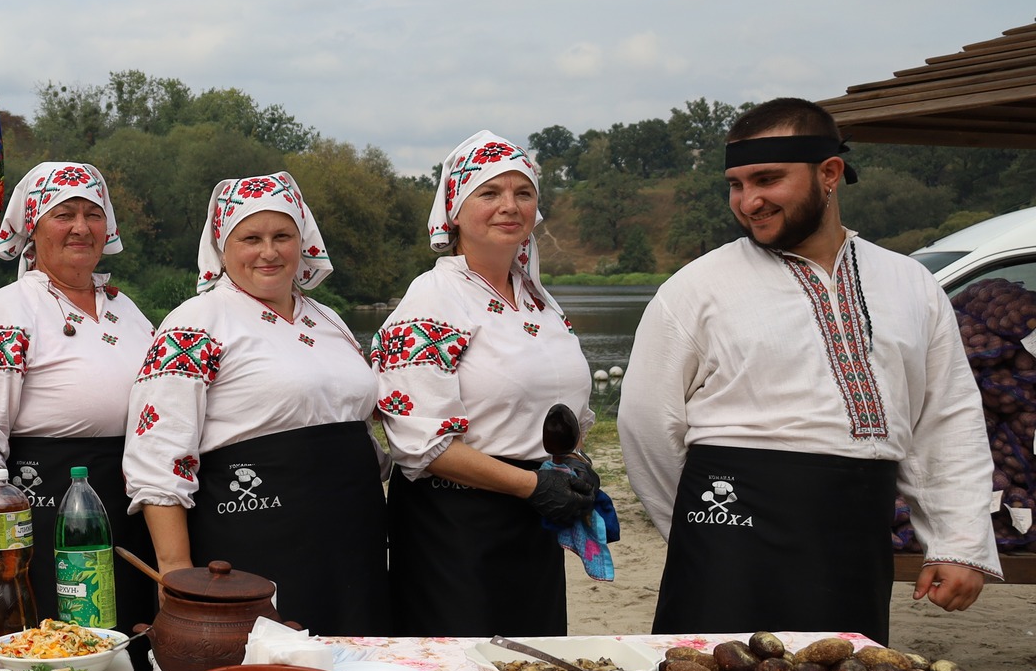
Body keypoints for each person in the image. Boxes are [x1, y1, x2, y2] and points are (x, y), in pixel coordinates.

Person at [622, 98, 999, 643]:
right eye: (735, 184)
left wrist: (957, 540)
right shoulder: (695, 288)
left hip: (855, 529)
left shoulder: (909, 283)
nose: (749, 201)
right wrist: (698, 529)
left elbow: (945, 417)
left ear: (829, 173)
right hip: (726, 529)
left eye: (768, 179)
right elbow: (646, 426)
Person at [123, 172, 387, 634]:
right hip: (253, 535)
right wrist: (177, 573)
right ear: (223, 246)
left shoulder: (328, 319)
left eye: (282, 236)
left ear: (302, 241)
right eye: (251, 238)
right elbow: (158, 456)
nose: (269, 251)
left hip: (351, 538)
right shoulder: (196, 322)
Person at [378, 131, 600, 636]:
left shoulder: (539, 302)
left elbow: (564, 406)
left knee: (531, 665)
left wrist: (572, 466)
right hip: (457, 525)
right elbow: (422, 444)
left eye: (522, 193)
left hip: (535, 519)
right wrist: (534, 485)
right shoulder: (431, 303)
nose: (509, 206)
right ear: (455, 210)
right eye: (489, 193)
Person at [0, 161, 157, 629]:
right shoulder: (7, 310)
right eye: (64, 214)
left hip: (127, 512)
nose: (81, 227)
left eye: (92, 214)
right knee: (48, 658)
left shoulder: (126, 309)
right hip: (38, 518)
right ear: (32, 229)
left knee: (128, 647)